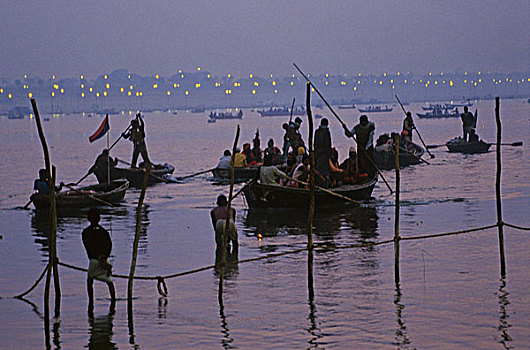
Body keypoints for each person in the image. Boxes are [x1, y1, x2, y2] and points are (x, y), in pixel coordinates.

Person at [82, 208, 116, 314]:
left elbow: (89, 247)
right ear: (99, 219)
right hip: (104, 259)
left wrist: (98, 257)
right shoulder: (103, 232)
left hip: (94, 260)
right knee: (109, 282)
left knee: (90, 281)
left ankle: (91, 301)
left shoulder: (85, 233)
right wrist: (104, 257)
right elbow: (109, 245)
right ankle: (113, 300)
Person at [314, 118, 332, 187]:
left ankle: (319, 185)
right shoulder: (326, 132)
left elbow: (315, 144)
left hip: (317, 155)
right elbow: (327, 144)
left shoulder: (317, 132)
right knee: (325, 172)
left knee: (318, 170)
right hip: (324, 155)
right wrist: (329, 154)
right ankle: (325, 186)